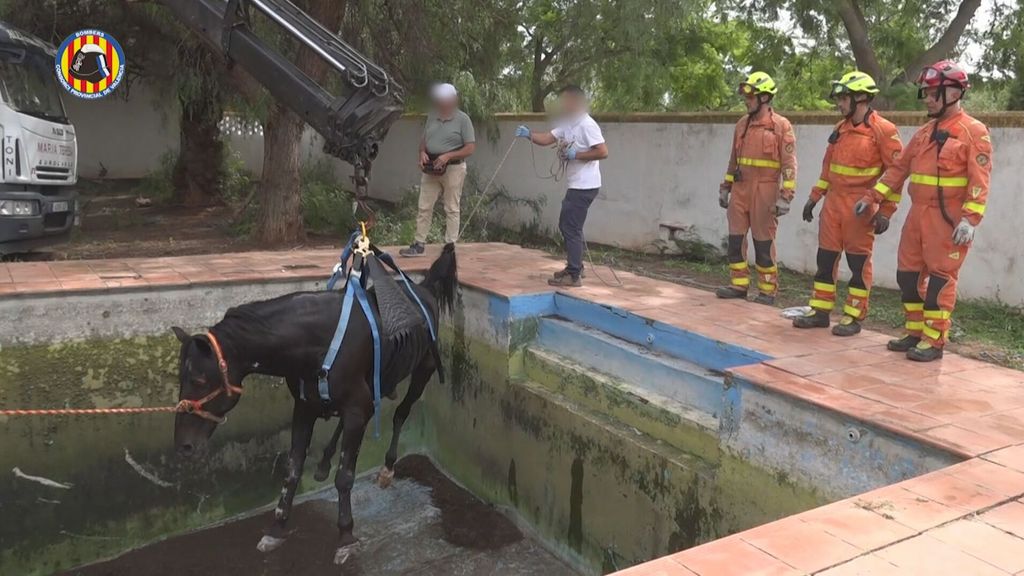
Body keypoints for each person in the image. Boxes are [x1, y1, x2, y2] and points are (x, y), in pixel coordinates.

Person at [854, 61, 993, 362]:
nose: (927, 99)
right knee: (907, 277)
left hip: (948, 219)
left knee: (940, 281)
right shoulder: (923, 133)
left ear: (953, 92)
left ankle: (934, 339)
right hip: (918, 215)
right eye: (926, 93)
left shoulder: (974, 132)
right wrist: (873, 197)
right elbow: (898, 170)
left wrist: (970, 219)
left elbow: (980, 180)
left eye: (933, 93)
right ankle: (914, 332)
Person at [793, 72, 903, 336]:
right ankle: (820, 311)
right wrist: (814, 197)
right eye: (840, 99)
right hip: (833, 205)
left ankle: (853, 315)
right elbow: (828, 169)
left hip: (861, 207)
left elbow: (896, 175)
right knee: (825, 259)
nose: (840, 104)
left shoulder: (884, 130)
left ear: (861, 98)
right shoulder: (839, 129)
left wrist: (886, 211)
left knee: (857, 263)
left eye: (844, 98)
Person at [515, 85, 609, 287]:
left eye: (565, 101)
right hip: (576, 184)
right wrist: (529, 134)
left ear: (576, 101)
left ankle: (574, 274)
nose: (563, 105)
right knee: (571, 226)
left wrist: (578, 155)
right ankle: (576, 267)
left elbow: (602, 151)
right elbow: (548, 138)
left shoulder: (587, 125)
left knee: (569, 226)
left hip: (585, 186)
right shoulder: (568, 123)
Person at [716, 72, 797, 305]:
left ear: (764, 97)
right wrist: (726, 187)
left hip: (766, 190)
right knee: (735, 240)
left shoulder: (781, 126)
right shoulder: (741, 124)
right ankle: (738, 285)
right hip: (741, 189)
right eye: (746, 95)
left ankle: (767, 291)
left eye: (751, 96)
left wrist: (786, 196)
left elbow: (789, 164)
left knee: (763, 242)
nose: (746, 100)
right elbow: (734, 160)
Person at [400, 83, 476, 257]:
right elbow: (424, 141)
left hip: (453, 168)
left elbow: (470, 148)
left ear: (453, 99)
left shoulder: (463, 119)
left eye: (447, 99)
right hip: (431, 168)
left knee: (451, 208)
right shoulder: (432, 116)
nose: (443, 103)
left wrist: (448, 156)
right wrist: (421, 153)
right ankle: (419, 244)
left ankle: (450, 247)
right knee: (424, 206)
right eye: (440, 100)